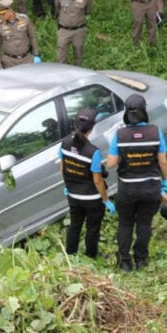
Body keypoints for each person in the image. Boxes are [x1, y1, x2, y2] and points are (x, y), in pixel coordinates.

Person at [105, 94, 167, 272]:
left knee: (125, 224)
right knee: (144, 223)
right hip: (150, 187)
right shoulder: (155, 132)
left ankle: (125, 261)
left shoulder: (120, 134)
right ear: (144, 111)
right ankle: (141, 259)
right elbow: (163, 162)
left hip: (128, 189)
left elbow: (111, 163)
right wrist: (165, 179)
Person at [61, 108, 115, 259]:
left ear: (74, 124)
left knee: (74, 225)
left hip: (73, 195)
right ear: (92, 128)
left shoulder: (64, 144)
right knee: (93, 227)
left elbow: (63, 167)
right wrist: (106, 200)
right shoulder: (93, 152)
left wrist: (67, 186)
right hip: (91, 199)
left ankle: (70, 255)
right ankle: (91, 256)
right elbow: (97, 180)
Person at [0, 0, 40, 69]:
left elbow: (32, 36)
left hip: (27, 59)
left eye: (3, 14)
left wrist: (36, 54)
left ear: (10, 11)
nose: (0, 16)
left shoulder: (24, 19)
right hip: (9, 62)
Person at [55, 0, 91, 66]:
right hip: (64, 30)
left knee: (78, 56)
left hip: (79, 30)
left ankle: (77, 75)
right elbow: (57, 8)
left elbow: (87, 11)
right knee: (61, 57)